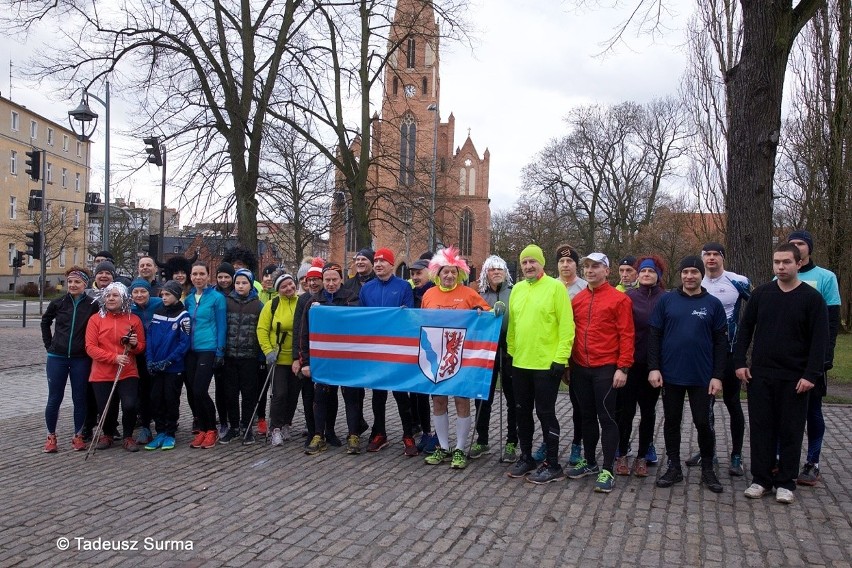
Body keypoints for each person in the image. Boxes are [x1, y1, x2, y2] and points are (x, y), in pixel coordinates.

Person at [735, 243, 829, 504]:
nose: (781, 266)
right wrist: (739, 363)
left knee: (791, 430)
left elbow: (819, 340)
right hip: (761, 375)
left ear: (799, 263)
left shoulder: (812, 299)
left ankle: (786, 482)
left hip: (795, 377)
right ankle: (761, 479)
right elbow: (745, 330)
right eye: (777, 262)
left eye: (786, 262)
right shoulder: (762, 294)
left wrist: (811, 374)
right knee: (761, 428)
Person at [648, 256, 727, 493]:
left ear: (701, 274)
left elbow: (721, 344)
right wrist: (654, 367)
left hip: (702, 376)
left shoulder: (713, 304)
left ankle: (708, 470)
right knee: (671, 422)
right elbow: (654, 336)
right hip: (671, 374)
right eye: (685, 272)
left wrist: (718, 375)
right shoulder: (667, 301)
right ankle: (673, 467)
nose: (689, 276)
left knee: (704, 423)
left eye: (694, 271)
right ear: (680, 275)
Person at [505, 245, 574, 484]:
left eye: (532, 262)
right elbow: (513, 326)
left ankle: (552, 463)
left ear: (542, 263)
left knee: (546, 413)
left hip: (547, 364)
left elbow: (567, 326)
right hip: (521, 362)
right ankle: (526, 457)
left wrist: (561, 358)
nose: (528, 266)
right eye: (524, 263)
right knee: (522, 412)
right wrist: (512, 352)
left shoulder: (556, 288)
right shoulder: (517, 290)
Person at [421, 246, 493, 470]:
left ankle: (460, 448)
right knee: (439, 401)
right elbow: (420, 322)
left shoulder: (469, 294)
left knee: (462, 401)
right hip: (435, 359)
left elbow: (489, 318)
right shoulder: (428, 294)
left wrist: (486, 313)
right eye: (445, 272)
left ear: (460, 273)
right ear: (438, 273)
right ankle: (443, 446)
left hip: (460, 357)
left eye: (454, 272)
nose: (449, 275)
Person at [567, 252, 634, 493]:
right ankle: (590, 462)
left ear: (607, 270)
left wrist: (623, 367)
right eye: (586, 267)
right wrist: (567, 364)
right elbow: (570, 333)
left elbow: (627, 335)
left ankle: (608, 468)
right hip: (580, 367)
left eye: (595, 266)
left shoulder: (620, 300)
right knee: (585, 416)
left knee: (606, 417)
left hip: (606, 367)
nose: (590, 270)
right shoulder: (577, 300)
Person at [687, 242, 751, 476]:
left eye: (716, 254)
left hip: (731, 353)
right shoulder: (696, 281)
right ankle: (709, 452)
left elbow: (755, 311)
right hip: (705, 355)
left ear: (722, 258)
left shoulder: (738, 281)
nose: (711, 258)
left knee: (733, 403)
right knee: (707, 405)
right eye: (707, 255)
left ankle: (736, 455)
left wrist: (744, 344)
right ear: (702, 258)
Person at [786, 230, 841, 487]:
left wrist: (824, 358)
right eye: (792, 244)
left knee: (813, 411)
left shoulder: (826, 277)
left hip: (813, 359)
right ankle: (782, 458)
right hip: (786, 359)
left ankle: (812, 462)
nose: (797, 247)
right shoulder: (781, 275)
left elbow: (831, 322)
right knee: (784, 411)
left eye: (801, 244)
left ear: (809, 248)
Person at [359, 247, 418, 455]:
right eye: (376, 261)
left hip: (396, 349)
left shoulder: (403, 287)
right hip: (376, 349)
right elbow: (363, 319)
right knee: (378, 395)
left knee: (401, 394)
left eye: (383, 261)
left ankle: (408, 434)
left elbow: (409, 317)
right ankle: (380, 432)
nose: (378, 265)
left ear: (392, 265)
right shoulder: (366, 288)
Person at [299, 262, 361, 455]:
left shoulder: (352, 298)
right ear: (322, 281)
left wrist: (328, 310)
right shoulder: (312, 302)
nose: (331, 283)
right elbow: (304, 334)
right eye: (327, 280)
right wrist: (306, 362)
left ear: (341, 280)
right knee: (321, 396)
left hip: (347, 358)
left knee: (351, 396)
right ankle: (319, 435)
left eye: (335, 279)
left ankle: (353, 435)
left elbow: (356, 322)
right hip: (323, 359)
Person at [617, 255, 666, 477]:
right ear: (638, 274)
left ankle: (642, 456)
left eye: (651, 272)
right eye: (644, 271)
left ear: (658, 276)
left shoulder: (666, 299)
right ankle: (621, 453)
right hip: (631, 362)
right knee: (625, 411)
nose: (647, 275)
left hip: (654, 365)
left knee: (648, 412)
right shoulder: (628, 298)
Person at [41, 266, 98, 452]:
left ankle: (78, 435)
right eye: (70, 282)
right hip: (57, 357)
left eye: (77, 282)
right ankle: (51, 436)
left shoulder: (92, 304)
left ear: (85, 284)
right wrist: (49, 344)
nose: (73, 285)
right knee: (54, 398)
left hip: (80, 358)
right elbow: (45, 322)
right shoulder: (58, 303)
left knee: (79, 397)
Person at [85, 282, 146, 452]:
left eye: (115, 295)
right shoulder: (95, 319)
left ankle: (128, 436)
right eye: (108, 295)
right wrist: (113, 358)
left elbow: (141, 346)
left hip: (127, 372)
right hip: (102, 373)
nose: (111, 298)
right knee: (106, 407)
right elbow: (90, 347)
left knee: (129, 405)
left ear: (124, 298)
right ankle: (108, 434)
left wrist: (134, 345)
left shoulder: (133, 320)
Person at [472, 254, 519, 463]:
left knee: (513, 399)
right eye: (492, 269)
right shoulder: (479, 294)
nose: (497, 272)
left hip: (510, 350)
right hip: (486, 349)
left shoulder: (515, 292)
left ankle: (511, 441)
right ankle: (482, 439)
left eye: (500, 268)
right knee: (483, 396)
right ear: (486, 273)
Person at [548, 244, 587, 467]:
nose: (565, 265)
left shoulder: (584, 288)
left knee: (578, 403)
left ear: (575, 264)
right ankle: (548, 442)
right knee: (547, 403)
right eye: (561, 262)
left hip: (578, 352)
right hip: (552, 353)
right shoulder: (551, 286)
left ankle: (577, 444)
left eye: (569, 261)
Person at [292, 258, 336, 445]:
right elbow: (298, 331)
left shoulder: (330, 298)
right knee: (309, 395)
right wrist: (298, 358)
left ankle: (330, 430)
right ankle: (313, 431)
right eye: (309, 279)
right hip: (309, 355)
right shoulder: (303, 300)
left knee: (330, 394)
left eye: (316, 279)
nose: (312, 282)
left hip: (328, 356)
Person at [144, 280, 191, 451]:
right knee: (156, 399)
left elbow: (184, 344)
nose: (164, 297)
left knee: (171, 399)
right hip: (156, 366)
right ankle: (160, 432)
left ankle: (170, 433)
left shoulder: (183, 316)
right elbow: (149, 337)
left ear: (177, 296)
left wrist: (169, 361)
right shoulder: (157, 312)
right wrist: (149, 359)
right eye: (162, 294)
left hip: (173, 367)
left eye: (168, 294)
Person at [184, 262, 227, 449]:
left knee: (201, 390)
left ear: (208, 276)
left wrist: (220, 350)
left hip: (208, 348)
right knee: (193, 392)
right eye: (195, 274)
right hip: (190, 350)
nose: (198, 277)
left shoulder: (217, 298)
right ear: (190, 276)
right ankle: (202, 428)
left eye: (202, 274)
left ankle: (211, 429)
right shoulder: (189, 299)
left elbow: (221, 325)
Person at [221, 269, 264, 444]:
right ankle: (234, 427)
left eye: (244, 283)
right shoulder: (226, 302)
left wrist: (261, 357)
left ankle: (247, 426)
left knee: (248, 394)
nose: (240, 286)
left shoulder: (258, 305)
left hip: (249, 357)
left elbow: (261, 332)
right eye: (238, 282)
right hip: (230, 356)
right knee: (230, 394)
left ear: (251, 284)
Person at [258, 273, 300, 446]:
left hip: (297, 358)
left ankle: (286, 424)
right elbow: (262, 329)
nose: (288, 288)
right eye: (283, 286)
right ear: (278, 290)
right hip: (277, 357)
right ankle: (275, 428)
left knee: (293, 395)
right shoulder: (272, 305)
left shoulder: (302, 302)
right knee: (279, 394)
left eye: (290, 284)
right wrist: (268, 351)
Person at [129, 278, 163, 445]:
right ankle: (145, 427)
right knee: (143, 392)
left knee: (159, 392)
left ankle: (163, 426)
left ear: (150, 292)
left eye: (143, 291)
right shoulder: (130, 309)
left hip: (159, 354)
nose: (139, 295)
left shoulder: (159, 304)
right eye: (136, 292)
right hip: (140, 355)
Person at [409, 253, 436, 452]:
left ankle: (435, 434)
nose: (416, 277)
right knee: (418, 394)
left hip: (433, 349)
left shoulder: (435, 291)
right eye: (413, 274)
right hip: (415, 348)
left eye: (419, 273)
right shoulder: (412, 293)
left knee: (435, 395)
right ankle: (425, 431)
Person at [212, 261, 235, 437]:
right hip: (217, 346)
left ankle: (236, 421)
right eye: (220, 276)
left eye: (227, 276)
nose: (223, 280)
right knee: (220, 388)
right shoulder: (212, 295)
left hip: (234, 346)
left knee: (232, 388)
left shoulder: (239, 293)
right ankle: (223, 421)